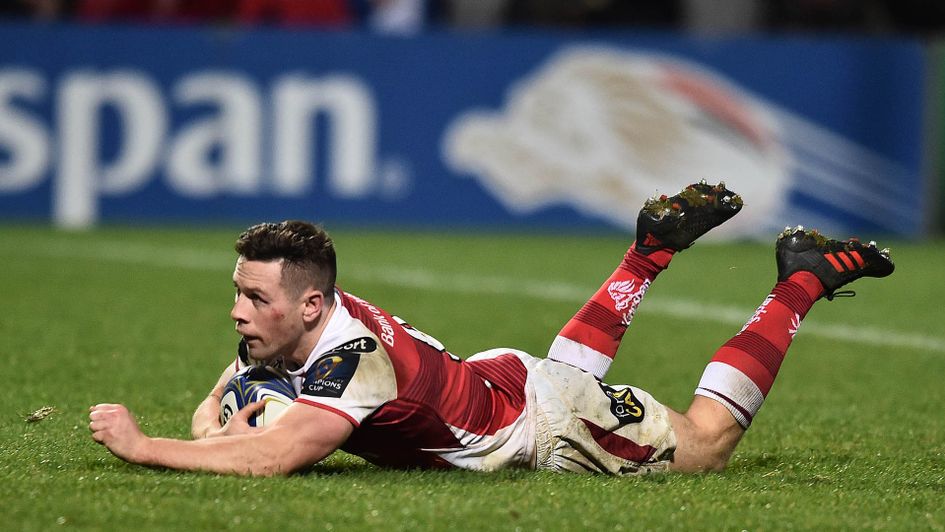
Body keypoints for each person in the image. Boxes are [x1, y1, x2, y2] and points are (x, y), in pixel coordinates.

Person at [88, 181, 894, 476]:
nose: (236, 311)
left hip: (536, 425)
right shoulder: (288, 322)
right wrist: (213, 420)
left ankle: (798, 281)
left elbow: (275, 455)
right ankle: (644, 256)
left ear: (307, 306)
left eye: (252, 297)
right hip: (498, 377)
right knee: (563, 375)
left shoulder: (350, 355)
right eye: (238, 292)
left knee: (708, 443)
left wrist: (149, 446)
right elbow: (228, 400)